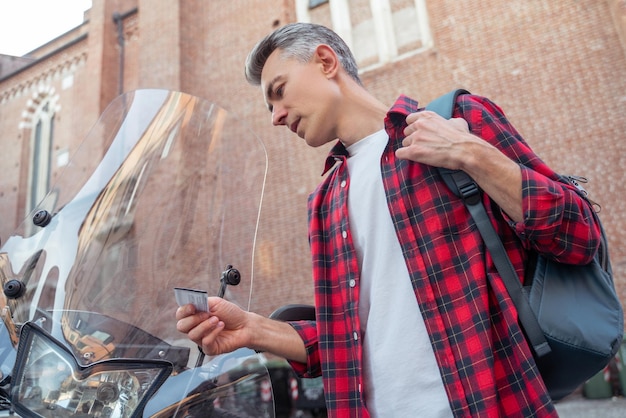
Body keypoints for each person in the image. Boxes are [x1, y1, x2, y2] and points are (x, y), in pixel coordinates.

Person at [176, 22, 601, 417]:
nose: (276, 116)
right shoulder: (324, 202)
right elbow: (346, 341)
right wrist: (252, 328)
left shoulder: (456, 122)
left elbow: (579, 234)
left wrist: (472, 153)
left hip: (485, 404)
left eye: (279, 91)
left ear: (326, 62)